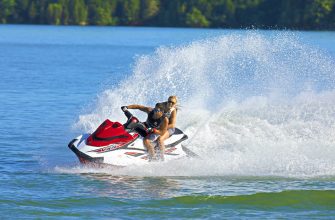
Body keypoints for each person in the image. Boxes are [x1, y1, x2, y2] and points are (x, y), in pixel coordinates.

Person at [156, 96, 178, 160]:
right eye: (169, 101)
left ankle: (161, 158)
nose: (170, 103)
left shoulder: (173, 111)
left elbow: (172, 125)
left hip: (169, 128)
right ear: (167, 101)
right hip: (159, 126)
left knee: (160, 139)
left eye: (172, 103)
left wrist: (162, 128)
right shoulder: (161, 105)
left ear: (175, 104)